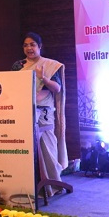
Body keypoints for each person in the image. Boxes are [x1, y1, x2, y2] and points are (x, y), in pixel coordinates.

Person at [12, 32, 68, 197]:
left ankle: (53, 185)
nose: (29, 48)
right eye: (26, 45)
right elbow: (11, 85)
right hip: (23, 111)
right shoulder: (18, 65)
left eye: (32, 44)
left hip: (43, 114)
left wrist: (43, 78)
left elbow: (57, 88)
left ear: (40, 46)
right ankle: (29, 186)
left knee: (47, 150)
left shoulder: (50, 65)